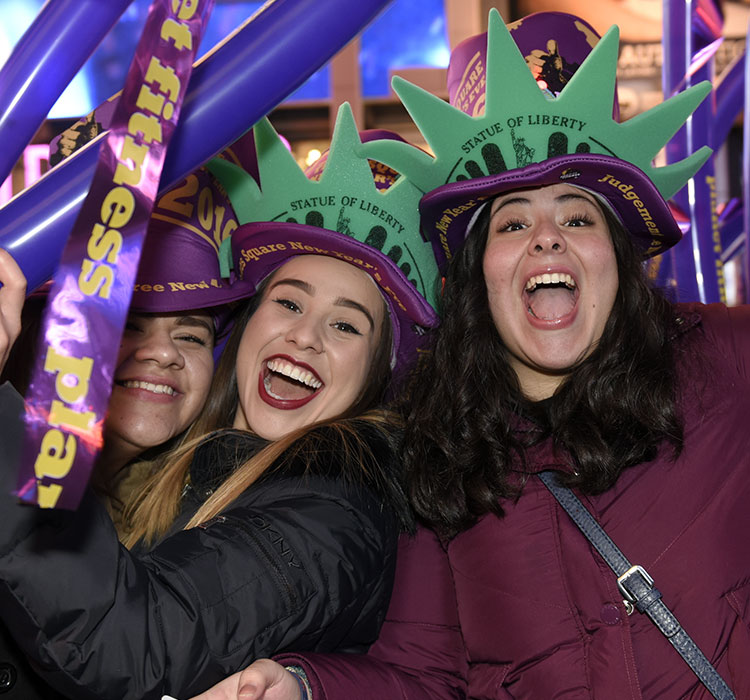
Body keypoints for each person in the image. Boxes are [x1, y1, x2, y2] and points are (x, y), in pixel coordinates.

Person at [190, 10, 749, 700]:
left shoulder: (726, 360)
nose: (547, 239)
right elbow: (423, 676)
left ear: (620, 258)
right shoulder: (443, 453)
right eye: (513, 221)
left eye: (577, 216)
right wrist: (304, 686)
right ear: (478, 271)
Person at [0, 103, 439, 700]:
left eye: (346, 326)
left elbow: (132, 639)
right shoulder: (175, 463)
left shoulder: (336, 508)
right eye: (288, 303)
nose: (305, 336)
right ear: (247, 329)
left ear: (373, 374)